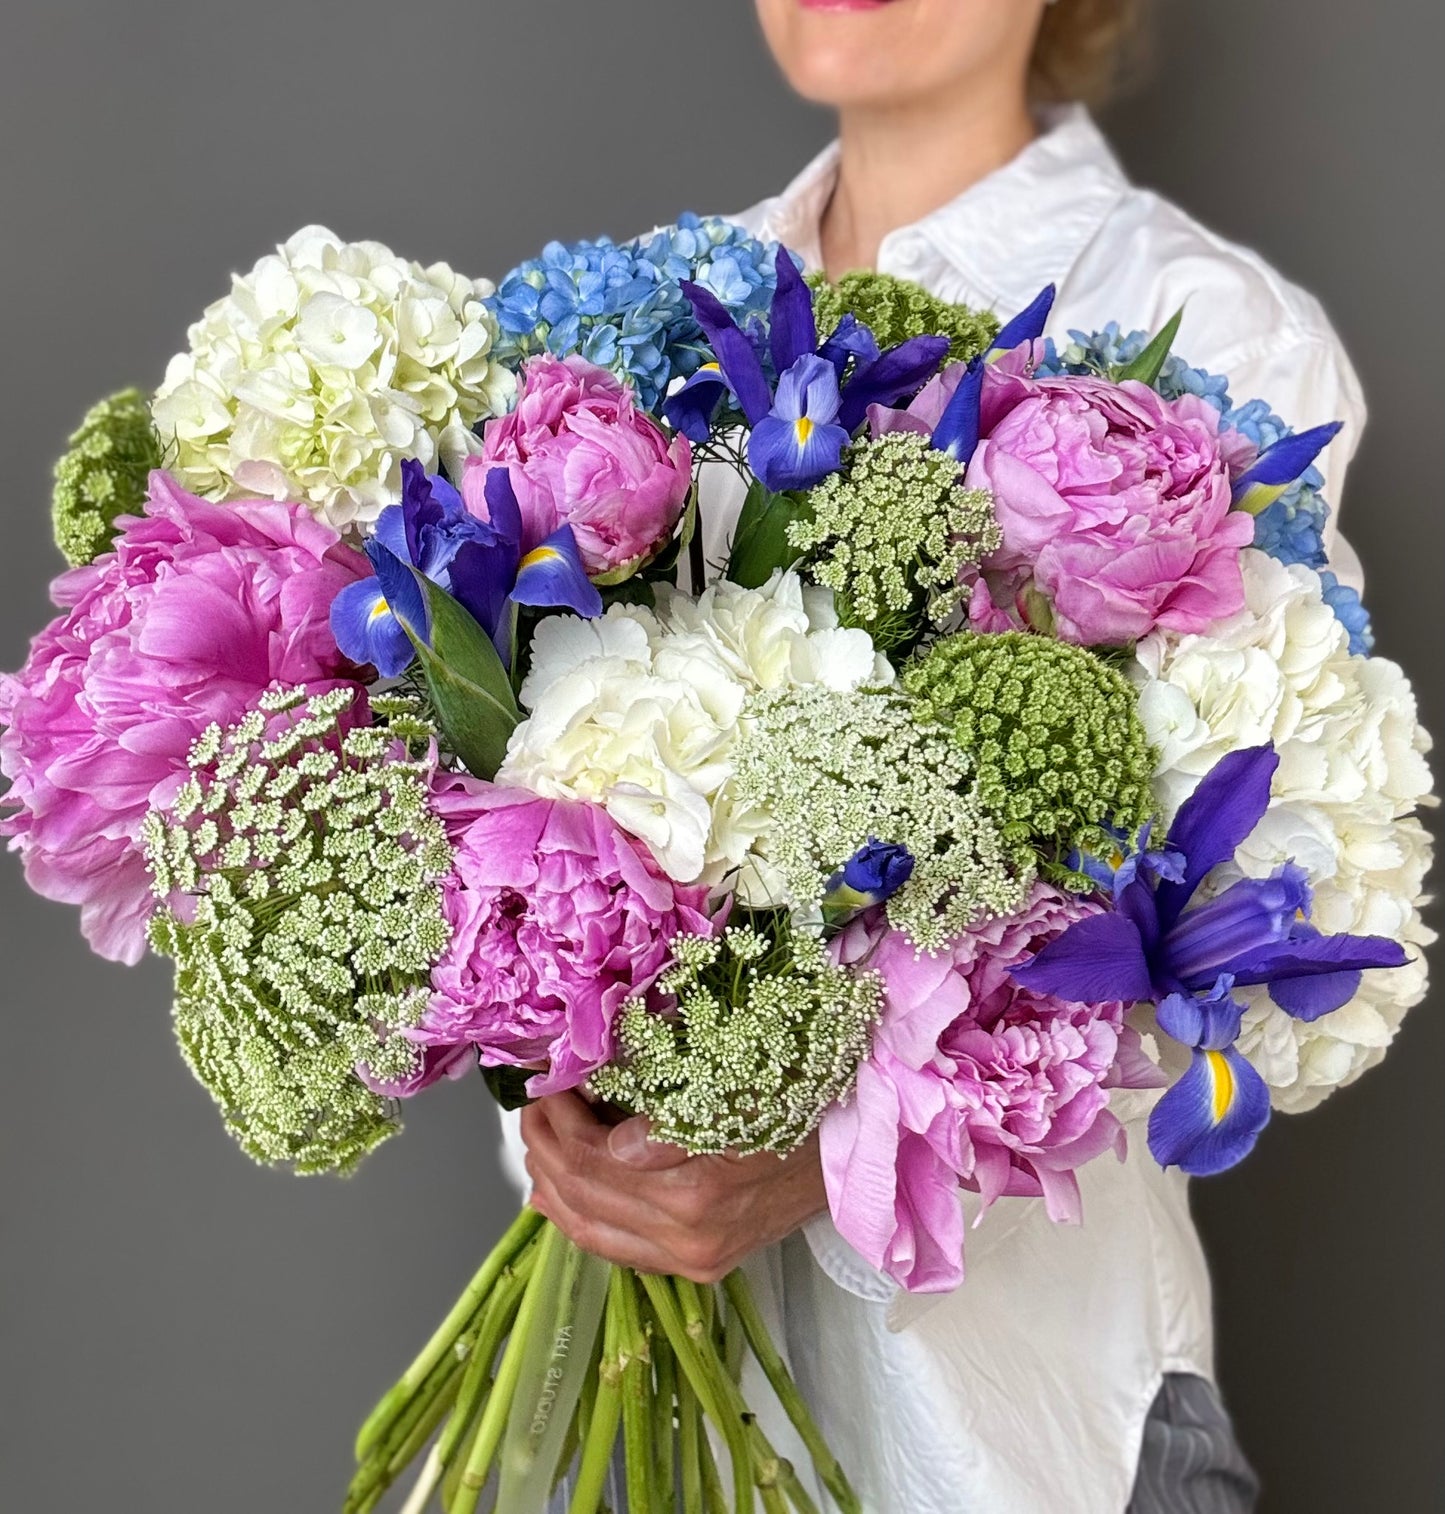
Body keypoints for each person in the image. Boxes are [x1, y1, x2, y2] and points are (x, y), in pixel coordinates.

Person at [512, 2, 1366, 1509]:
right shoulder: (651, 314)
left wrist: (833, 1145)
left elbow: (1236, 937)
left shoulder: (1213, 337)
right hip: (661, 1430)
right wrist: (563, 1118)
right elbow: (505, 805)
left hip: (1028, 1435)